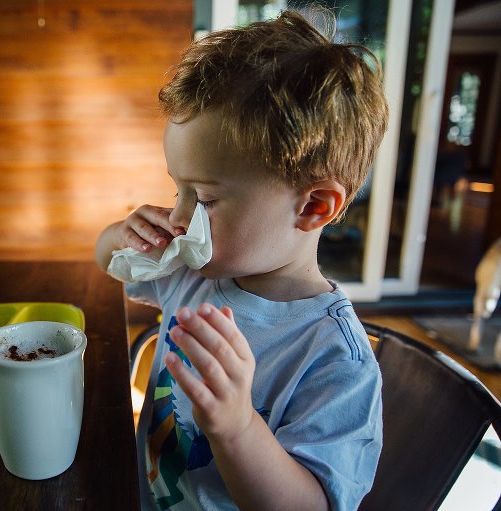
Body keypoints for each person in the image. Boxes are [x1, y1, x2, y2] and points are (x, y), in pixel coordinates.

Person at [94, 9, 389, 511]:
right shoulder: (194, 274)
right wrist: (121, 235)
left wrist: (237, 428)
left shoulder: (336, 362)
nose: (181, 215)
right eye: (177, 189)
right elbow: (107, 262)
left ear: (313, 207)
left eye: (204, 199)